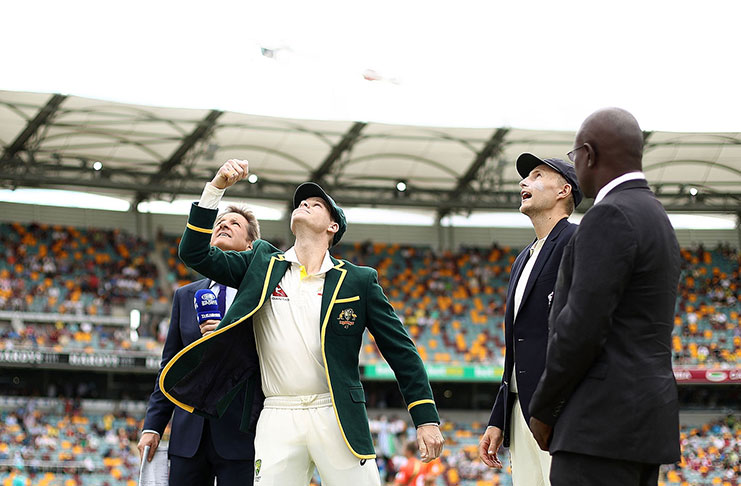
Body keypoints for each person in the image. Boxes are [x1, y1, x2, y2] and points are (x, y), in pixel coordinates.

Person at [159, 159, 444, 486]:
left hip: (335, 413)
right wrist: (216, 189)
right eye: (302, 202)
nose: (305, 204)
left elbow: (402, 352)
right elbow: (194, 254)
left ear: (333, 226)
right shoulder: (262, 263)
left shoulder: (358, 281)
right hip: (277, 414)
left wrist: (426, 419)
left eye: (316, 204)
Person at [528, 108, 681, 486]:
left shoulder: (609, 215)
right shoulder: (658, 218)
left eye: (574, 157)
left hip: (598, 430)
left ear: (589, 155)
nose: (575, 165)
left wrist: (544, 409)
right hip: (644, 425)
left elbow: (581, 326)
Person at [137, 204, 261, 486]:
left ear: (250, 244)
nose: (224, 225)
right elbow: (170, 367)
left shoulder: (259, 296)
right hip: (188, 438)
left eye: (234, 224)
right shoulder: (185, 295)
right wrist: (153, 426)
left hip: (240, 435)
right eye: (220, 222)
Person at [479, 154, 581, 486]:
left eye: (537, 176)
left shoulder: (578, 241)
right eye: (526, 177)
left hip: (560, 412)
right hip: (521, 412)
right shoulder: (522, 259)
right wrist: (499, 418)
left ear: (564, 190)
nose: (524, 182)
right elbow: (517, 347)